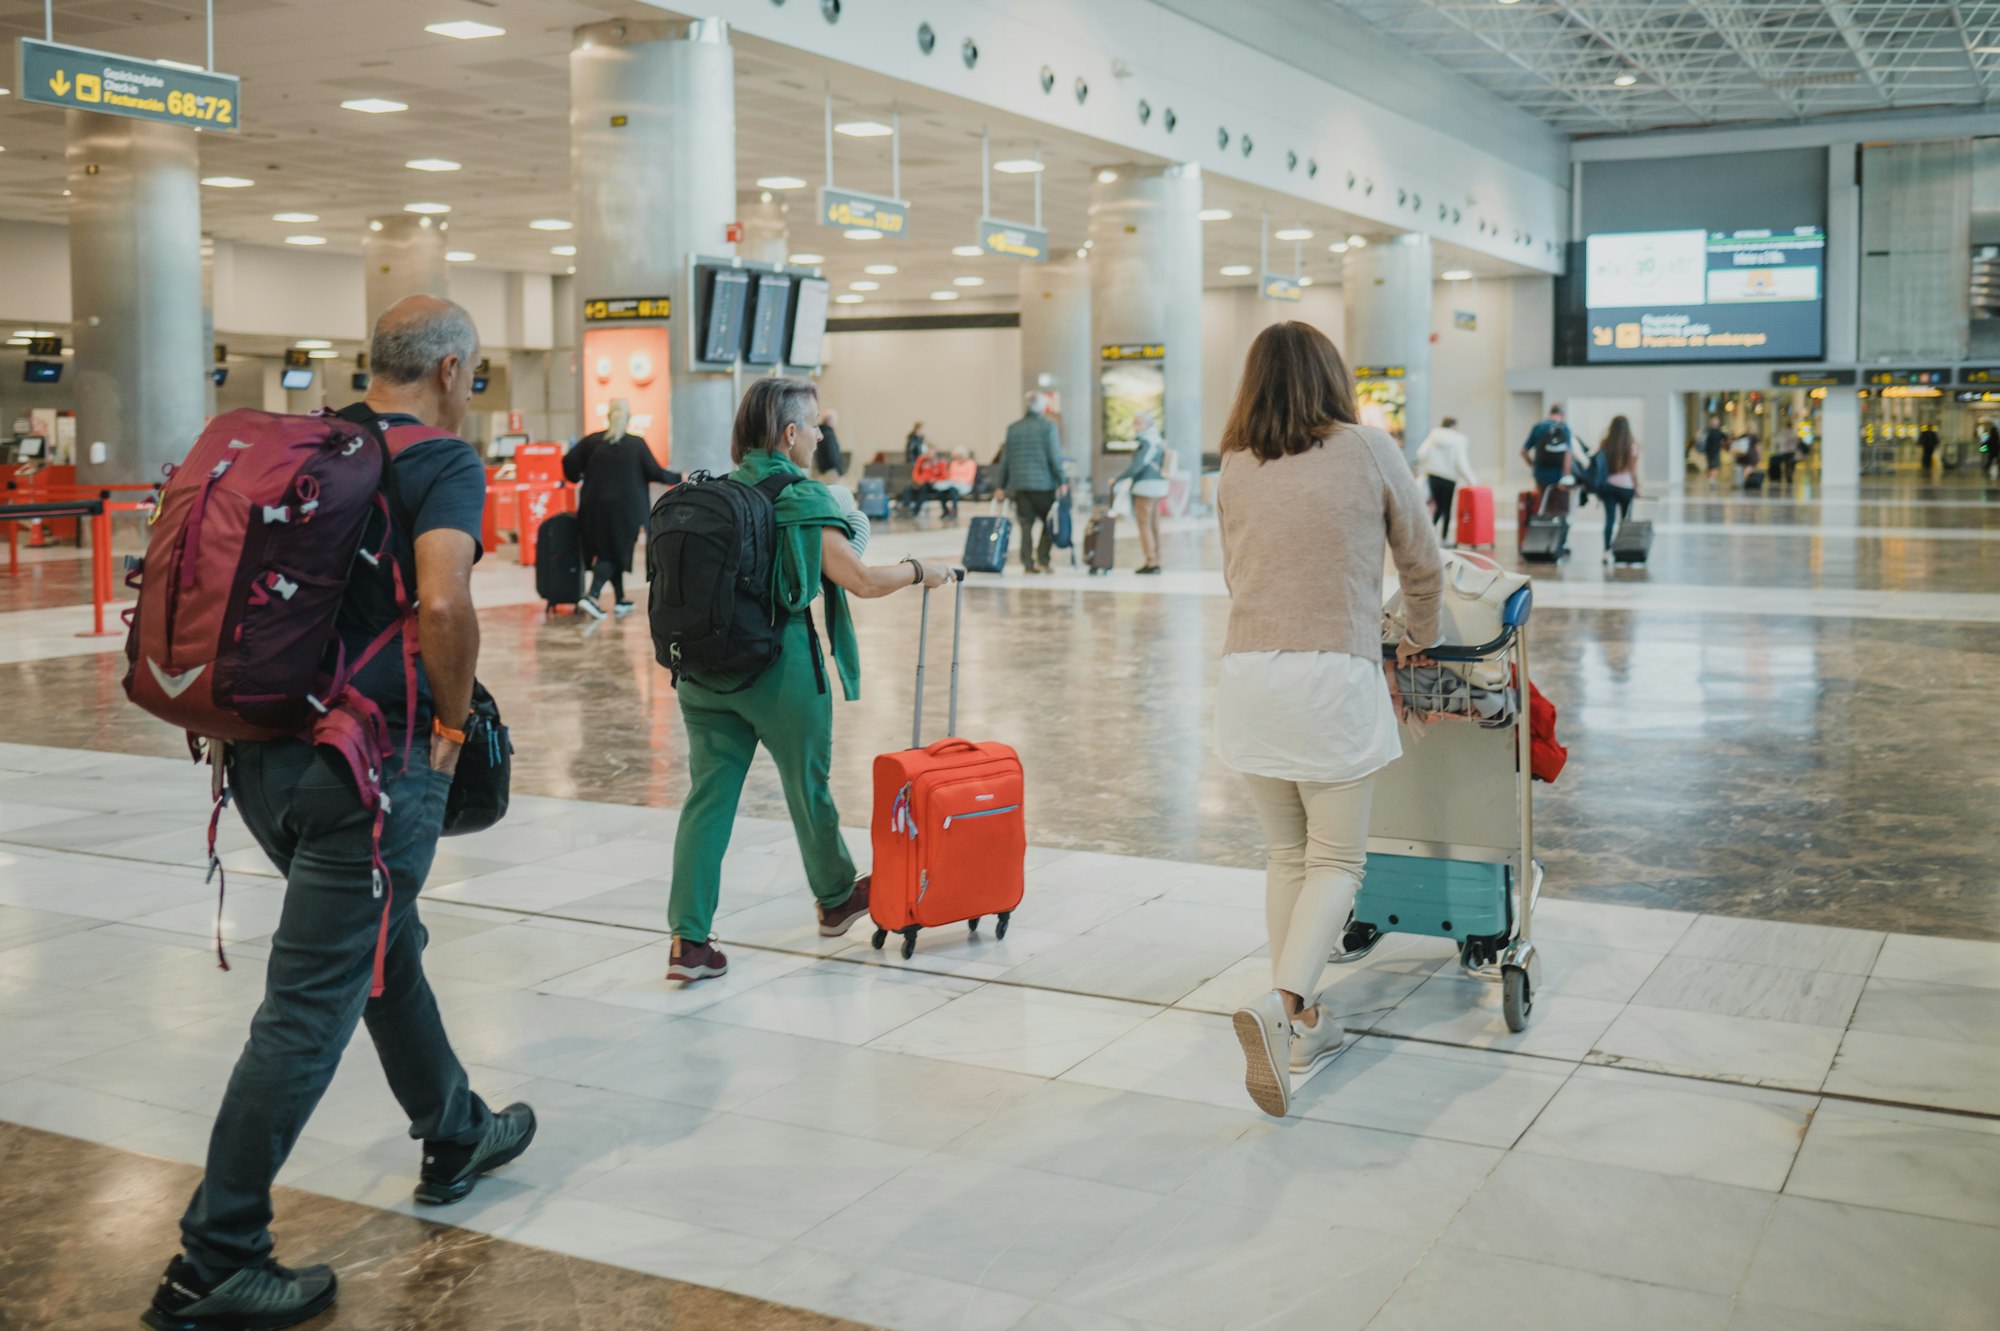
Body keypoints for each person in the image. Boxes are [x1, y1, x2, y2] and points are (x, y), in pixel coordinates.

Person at [142, 295, 535, 1331]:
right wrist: (446, 737)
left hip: (262, 758)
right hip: (364, 773)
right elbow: (443, 603)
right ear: (452, 370)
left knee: (381, 945)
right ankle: (214, 1258)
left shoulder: (312, 444)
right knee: (310, 1004)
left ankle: (453, 1125)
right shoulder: (441, 459)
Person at [1213, 320, 1443, 1119]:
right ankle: (1282, 1004)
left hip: (1246, 674)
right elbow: (1423, 559)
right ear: (1332, 379)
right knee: (1338, 862)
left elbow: (1233, 566)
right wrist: (1420, 635)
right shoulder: (1367, 448)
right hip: (1330, 678)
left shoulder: (1236, 463)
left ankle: (1306, 1024)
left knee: (1287, 854)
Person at [666, 377, 957, 983]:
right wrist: (918, 569)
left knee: (707, 802)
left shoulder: (713, 490)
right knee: (808, 785)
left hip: (701, 672)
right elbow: (861, 580)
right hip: (779, 670)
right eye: (815, 425)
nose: (823, 435)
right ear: (791, 434)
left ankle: (689, 944)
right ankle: (833, 899)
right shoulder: (802, 497)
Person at [564, 397, 678, 620]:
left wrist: (577, 476)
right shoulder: (636, 444)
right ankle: (592, 596)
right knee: (616, 553)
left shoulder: (592, 442)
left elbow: (568, 462)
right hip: (625, 512)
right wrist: (679, 477)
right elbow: (656, 473)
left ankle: (620, 598)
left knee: (609, 549)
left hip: (592, 509)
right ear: (628, 418)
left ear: (608, 416)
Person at [992, 391, 1067, 574]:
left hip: (1020, 485)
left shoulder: (1013, 428)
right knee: (1048, 523)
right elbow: (1054, 457)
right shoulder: (1047, 427)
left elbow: (1006, 459)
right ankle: (1043, 559)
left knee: (1026, 524)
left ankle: (1027, 563)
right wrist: (1062, 480)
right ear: (1042, 407)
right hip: (1044, 485)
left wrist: (1000, 485)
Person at [1111, 412, 1170, 574]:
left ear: (1148, 425)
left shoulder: (1146, 442)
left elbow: (1138, 465)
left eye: (1139, 423)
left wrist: (1118, 479)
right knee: (1154, 525)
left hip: (1145, 487)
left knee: (1144, 525)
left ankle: (1150, 561)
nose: (1136, 427)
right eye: (1135, 423)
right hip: (1158, 487)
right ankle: (1156, 560)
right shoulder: (1158, 440)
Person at [1413, 415, 1477, 543]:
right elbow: (1461, 464)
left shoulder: (1433, 437)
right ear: (1453, 426)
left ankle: (1431, 534)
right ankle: (1444, 538)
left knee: (1437, 506)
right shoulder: (1458, 440)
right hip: (1449, 478)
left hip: (1433, 475)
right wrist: (1472, 481)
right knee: (1446, 508)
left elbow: (1421, 454)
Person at [1595, 416, 1639, 563]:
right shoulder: (1632, 445)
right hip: (1626, 488)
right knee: (1626, 521)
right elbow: (1633, 471)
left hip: (1608, 487)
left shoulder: (1605, 444)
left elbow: (1600, 466)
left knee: (1609, 520)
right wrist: (1636, 487)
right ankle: (1625, 551)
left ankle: (1606, 552)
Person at [1520, 404, 1572, 500]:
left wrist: (1533, 465)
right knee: (1558, 507)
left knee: (1543, 503)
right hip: (1559, 475)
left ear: (1550, 412)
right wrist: (1567, 476)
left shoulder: (1538, 427)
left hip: (1540, 474)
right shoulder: (1564, 428)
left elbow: (1523, 452)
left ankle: (1544, 514)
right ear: (1562, 414)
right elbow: (1567, 455)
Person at [903, 444, 955, 517]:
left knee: (924, 489)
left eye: (931, 453)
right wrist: (918, 480)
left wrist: (933, 478)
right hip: (920, 483)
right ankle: (906, 509)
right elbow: (915, 472)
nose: (929, 455)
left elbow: (944, 476)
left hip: (933, 485)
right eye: (927, 453)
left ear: (935, 454)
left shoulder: (940, 462)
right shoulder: (921, 460)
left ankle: (915, 511)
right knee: (907, 489)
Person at [813, 406, 846, 479]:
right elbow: (833, 455)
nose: (836, 423)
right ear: (830, 420)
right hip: (831, 472)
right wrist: (840, 472)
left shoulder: (821, 433)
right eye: (835, 420)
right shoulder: (828, 435)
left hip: (822, 471)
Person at [1700, 415, 1729, 482]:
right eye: (1713, 421)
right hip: (1709, 452)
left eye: (1715, 421)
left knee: (1714, 466)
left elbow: (1726, 439)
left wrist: (1724, 446)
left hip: (1716, 451)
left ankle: (1711, 479)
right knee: (1713, 467)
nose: (1714, 422)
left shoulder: (1719, 431)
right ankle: (1711, 479)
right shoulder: (1708, 431)